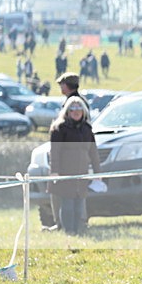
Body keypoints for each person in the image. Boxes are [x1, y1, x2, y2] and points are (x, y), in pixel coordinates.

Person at [48, 96, 101, 235]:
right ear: (67, 111)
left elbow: (93, 153)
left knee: (79, 204)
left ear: (83, 111)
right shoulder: (59, 128)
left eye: (79, 108)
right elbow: (55, 152)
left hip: (82, 173)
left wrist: (98, 173)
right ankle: (69, 231)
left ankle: (79, 230)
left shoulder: (87, 129)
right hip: (65, 173)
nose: (76, 111)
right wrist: (54, 171)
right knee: (67, 204)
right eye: (73, 109)